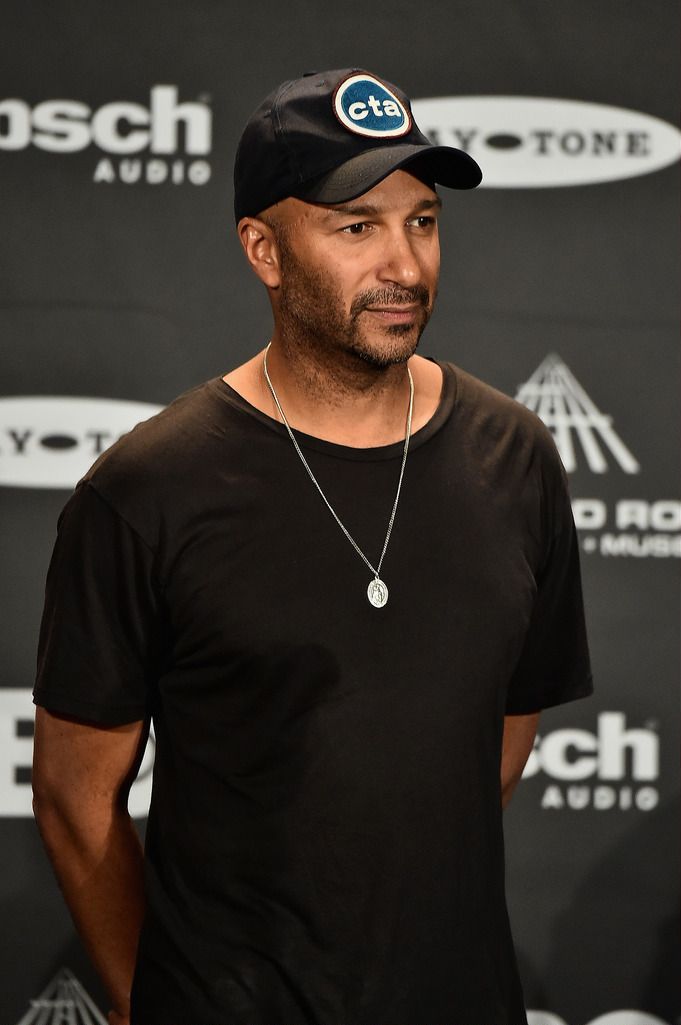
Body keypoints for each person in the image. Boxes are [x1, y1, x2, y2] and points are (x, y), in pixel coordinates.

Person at [32, 68, 593, 1025]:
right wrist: (154, 1003)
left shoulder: (518, 457)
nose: (405, 266)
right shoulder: (147, 491)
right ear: (263, 249)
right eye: (355, 226)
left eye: (422, 220)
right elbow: (75, 799)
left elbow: (496, 736)